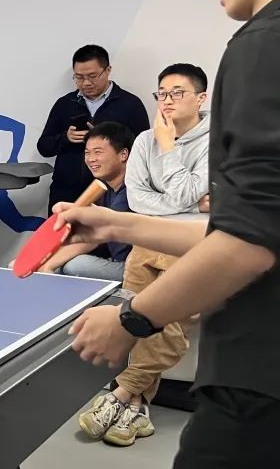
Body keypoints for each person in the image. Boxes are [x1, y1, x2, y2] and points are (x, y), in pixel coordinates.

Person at [61, 0, 280, 465]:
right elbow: (255, 224)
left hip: (260, 378)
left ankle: (130, 393)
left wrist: (131, 319)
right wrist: (116, 223)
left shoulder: (262, 43)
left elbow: (248, 242)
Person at [75, 64, 211, 446]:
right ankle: (137, 408)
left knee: (170, 319)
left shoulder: (215, 142)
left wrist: (169, 148)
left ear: (200, 98)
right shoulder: (144, 140)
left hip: (192, 245)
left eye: (177, 92)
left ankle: (120, 393)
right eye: (162, 93)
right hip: (148, 239)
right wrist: (188, 202)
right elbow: (138, 199)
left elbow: (181, 193)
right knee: (136, 315)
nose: (166, 100)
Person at [37, 44, 149, 214]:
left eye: (92, 76)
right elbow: (44, 147)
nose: (86, 83)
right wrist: (66, 138)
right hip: (66, 191)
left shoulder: (130, 104)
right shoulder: (65, 104)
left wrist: (104, 139)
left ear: (108, 70)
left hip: (114, 193)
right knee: (60, 231)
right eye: (79, 77)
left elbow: (144, 150)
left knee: (109, 231)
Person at [35, 122, 135, 281]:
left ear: (123, 154)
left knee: (75, 266)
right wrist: (41, 262)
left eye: (98, 152)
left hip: (133, 269)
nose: (91, 159)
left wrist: (48, 265)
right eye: (87, 153)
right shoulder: (104, 190)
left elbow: (93, 238)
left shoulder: (133, 191)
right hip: (114, 260)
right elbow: (87, 237)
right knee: (59, 264)